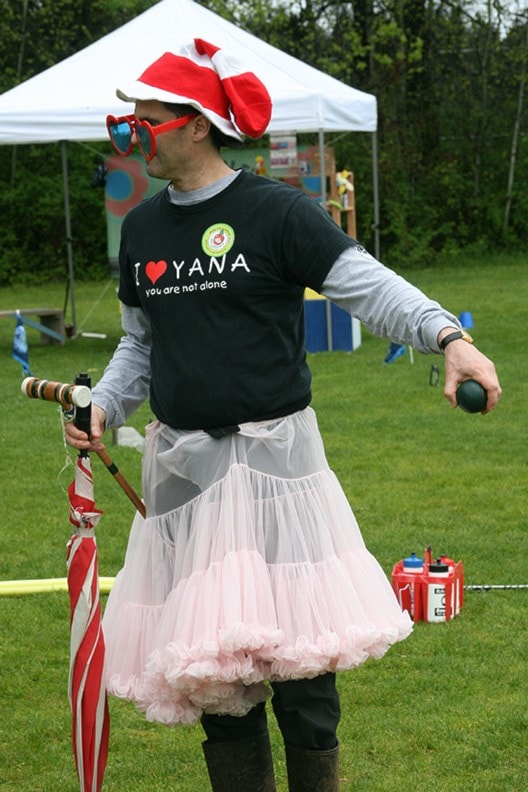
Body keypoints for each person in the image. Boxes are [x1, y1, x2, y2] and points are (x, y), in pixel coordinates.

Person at [65, 39, 501, 791]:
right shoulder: (142, 231)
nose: (131, 139)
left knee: (302, 671)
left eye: (142, 125)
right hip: (187, 481)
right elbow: (141, 346)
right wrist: (104, 403)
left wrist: (448, 337)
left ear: (195, 125)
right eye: (123, 127)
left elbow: (369, 287)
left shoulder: (277, 213)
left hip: (277, 474)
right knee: (217, 680)